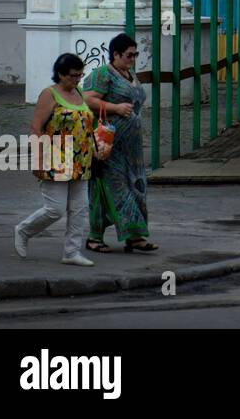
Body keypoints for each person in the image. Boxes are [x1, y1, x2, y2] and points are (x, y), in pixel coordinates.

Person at [14, 54, 97, 265]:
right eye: (73, 76)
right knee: (55, 209)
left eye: (80, 75)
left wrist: (96, 147)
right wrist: (38, 157)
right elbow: (36, 127)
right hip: (56, 157)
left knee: (79, 209)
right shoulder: (49, 94)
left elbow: (86, 125)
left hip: (81, 160)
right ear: (60, 74)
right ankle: (24, 230)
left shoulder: (78, 92)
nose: (77, 79)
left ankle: (72, 252)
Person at [82, 34, 157, 253]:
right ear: (115, 54)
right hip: (107, 145)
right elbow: (88, 99)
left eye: (135, 54)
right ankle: (97, 237)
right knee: (109, 189)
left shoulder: (128, 73)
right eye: (128, 55)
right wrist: (115, 109)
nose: (133, 59)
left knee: (135, 187)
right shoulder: (102, 74)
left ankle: (133, 236)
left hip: (130, 148)